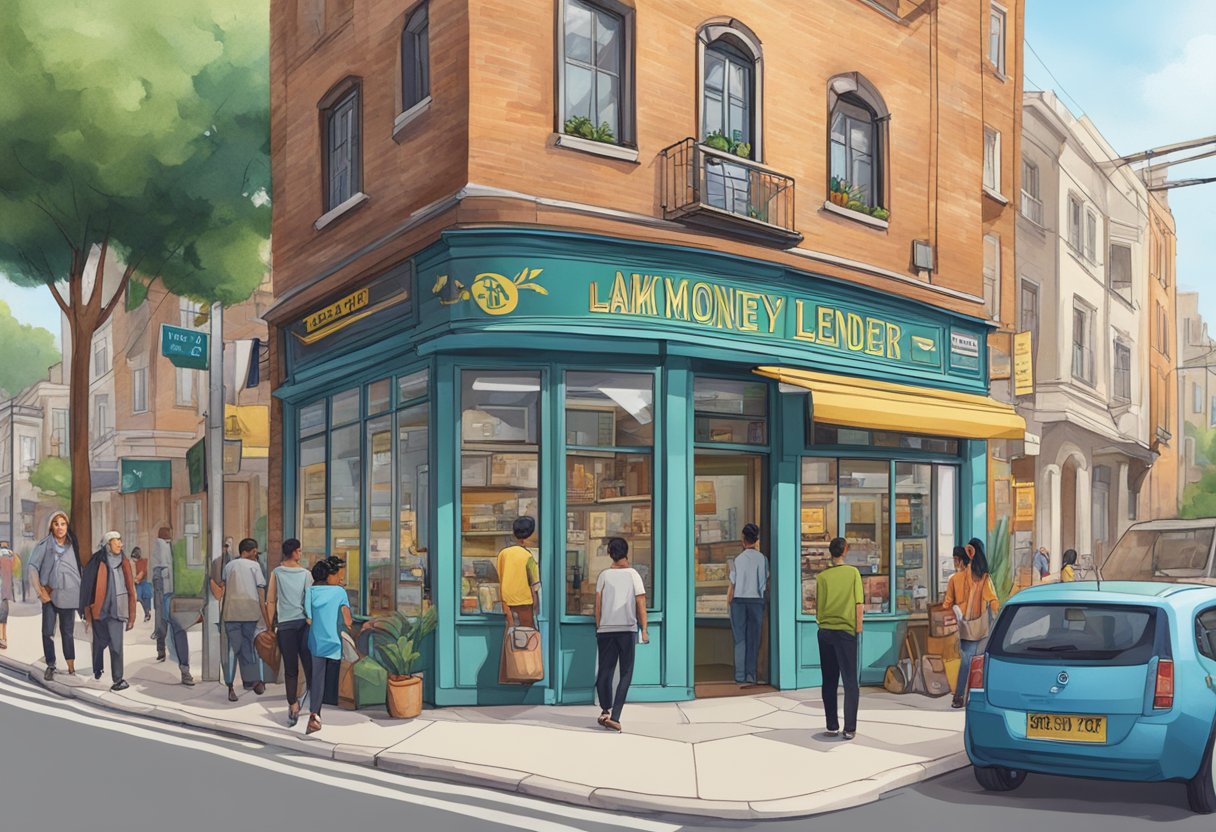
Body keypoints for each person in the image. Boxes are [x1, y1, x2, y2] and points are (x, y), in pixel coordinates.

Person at [594, 537, 648, 733]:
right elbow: (640, 603)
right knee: (625, 673)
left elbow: (597, 605)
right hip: (627, 630)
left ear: (610, 553)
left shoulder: (604, 576)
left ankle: (605, 710)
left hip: (606, 630)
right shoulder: (634, 575)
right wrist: (645, 629)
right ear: (627, 553)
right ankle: (615, 716)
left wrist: (599, 625)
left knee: (605, 672)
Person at [816, 537, 863, 740]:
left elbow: (818, 609)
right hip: (846, 632)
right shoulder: (853, 573)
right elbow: (859, 604)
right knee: (850, 680)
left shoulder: (822, 577)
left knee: (829, 680)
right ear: (845, 550)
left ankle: (831, 725)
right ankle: (849, 728)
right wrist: (857, 630)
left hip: (825, 631)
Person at [945, 540, 1000, 709]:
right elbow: (993, 601)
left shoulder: (956, 578)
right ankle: (978, 696)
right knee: (981, 662)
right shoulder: (985, 578)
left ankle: (959, 696)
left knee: (967, 662)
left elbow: (946, 604)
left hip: (964, 628)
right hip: (981, 627)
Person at [27, 511, 81, 681]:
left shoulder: (73, 545)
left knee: (68, 632)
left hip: (69, 594)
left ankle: (71, 666)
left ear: (67, 526)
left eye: (63, 524)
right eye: (56, 524)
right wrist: (39, 591)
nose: (60, 527)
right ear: (51, 526)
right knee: (47, 632)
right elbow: (32, 567)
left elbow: (79, 569)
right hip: (49, 595)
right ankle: (51, 664)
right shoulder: (44, 545)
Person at [81, 532, 137, 691]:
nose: (120, 544)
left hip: (117, 611)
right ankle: (97, 669)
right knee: (99, 642)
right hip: (99, 610)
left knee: (116, 645)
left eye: (120, 540)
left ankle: (118, 679)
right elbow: (88, 589)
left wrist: (131, 615)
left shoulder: (124, 562)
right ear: (108, 544)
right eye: (116, 541)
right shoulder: (97, 561)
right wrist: (87, 613)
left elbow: (130, 589)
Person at [267, 538, 314, 727]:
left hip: (285, 625)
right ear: (294, 552)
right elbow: (309, 600)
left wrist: (271, 625)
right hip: (303, 624)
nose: (301, 554)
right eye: (300, 551)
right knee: (309, 664)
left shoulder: (276, 573)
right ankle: (312, 705)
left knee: (290, 669)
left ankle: (292, 705)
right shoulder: (305, 574)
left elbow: (270, 601)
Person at [217, 537, 268, 701]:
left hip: (231, 613)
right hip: (250, 613)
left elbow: (223, 591)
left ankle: (231, 686)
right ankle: (252, 680)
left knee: (234, 649)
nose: (256, 555)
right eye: (255, 552)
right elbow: (261, 594)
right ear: (252, 551)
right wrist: (266, 617)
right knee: (248, 646)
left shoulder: (229, 566)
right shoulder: (255, 566)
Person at [306, 556, 352, 735]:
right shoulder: (340, 592)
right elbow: (348, 620)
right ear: (330, 575)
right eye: (339, 574)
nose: (341, 578)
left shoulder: (310, 591)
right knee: (335, 674)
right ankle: (332, 701)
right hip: (333, 642)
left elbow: (308, 618)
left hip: (316, 640)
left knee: (317, 677)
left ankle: (315, 713)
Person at [728, 523, 768, 686]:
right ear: (756, 540)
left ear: (743, 540)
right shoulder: (763, 559)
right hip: (756, 601)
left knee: (740, 640)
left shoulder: (735, 560)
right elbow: (763, 583)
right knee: (753, 639)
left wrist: (729, 600)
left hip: (738, 601)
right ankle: (751, 675)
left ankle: (739, 675)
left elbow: (733, 583)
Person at [496, 516, 540, 629]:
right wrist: (535, 603)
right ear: (530, 534)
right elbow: (534, 584)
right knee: (526, 635)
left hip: (506, 601)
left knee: (509, 634)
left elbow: (499, 576)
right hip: (524, 602)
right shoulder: (528, 556)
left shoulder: (503, 553)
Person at [150, 526, 173, 659]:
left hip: (161, 580)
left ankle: (161, 649)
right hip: (163, 581)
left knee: (161, 615)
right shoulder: (161, 544)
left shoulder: (161, 545)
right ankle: (161, 648)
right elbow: (165, 563)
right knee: (162, 615)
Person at [0, 540, 17, 649]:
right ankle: (3, 638)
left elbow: (16, 571)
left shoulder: (10, 557)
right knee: (3, 614)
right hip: (3, 590)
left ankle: (3, 638)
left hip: (4, 590)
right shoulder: (9, 557)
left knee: (3, 614)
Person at [130, 547, 152, 623]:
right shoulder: (133, 563)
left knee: (145, 597)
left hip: (142, 582)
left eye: (135, 557)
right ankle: (146, 613)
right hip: (137, 583)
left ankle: (147, 614)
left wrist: (136, 580)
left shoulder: (143, 562)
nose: (134, 559)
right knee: (138, 597)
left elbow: (142, 573)